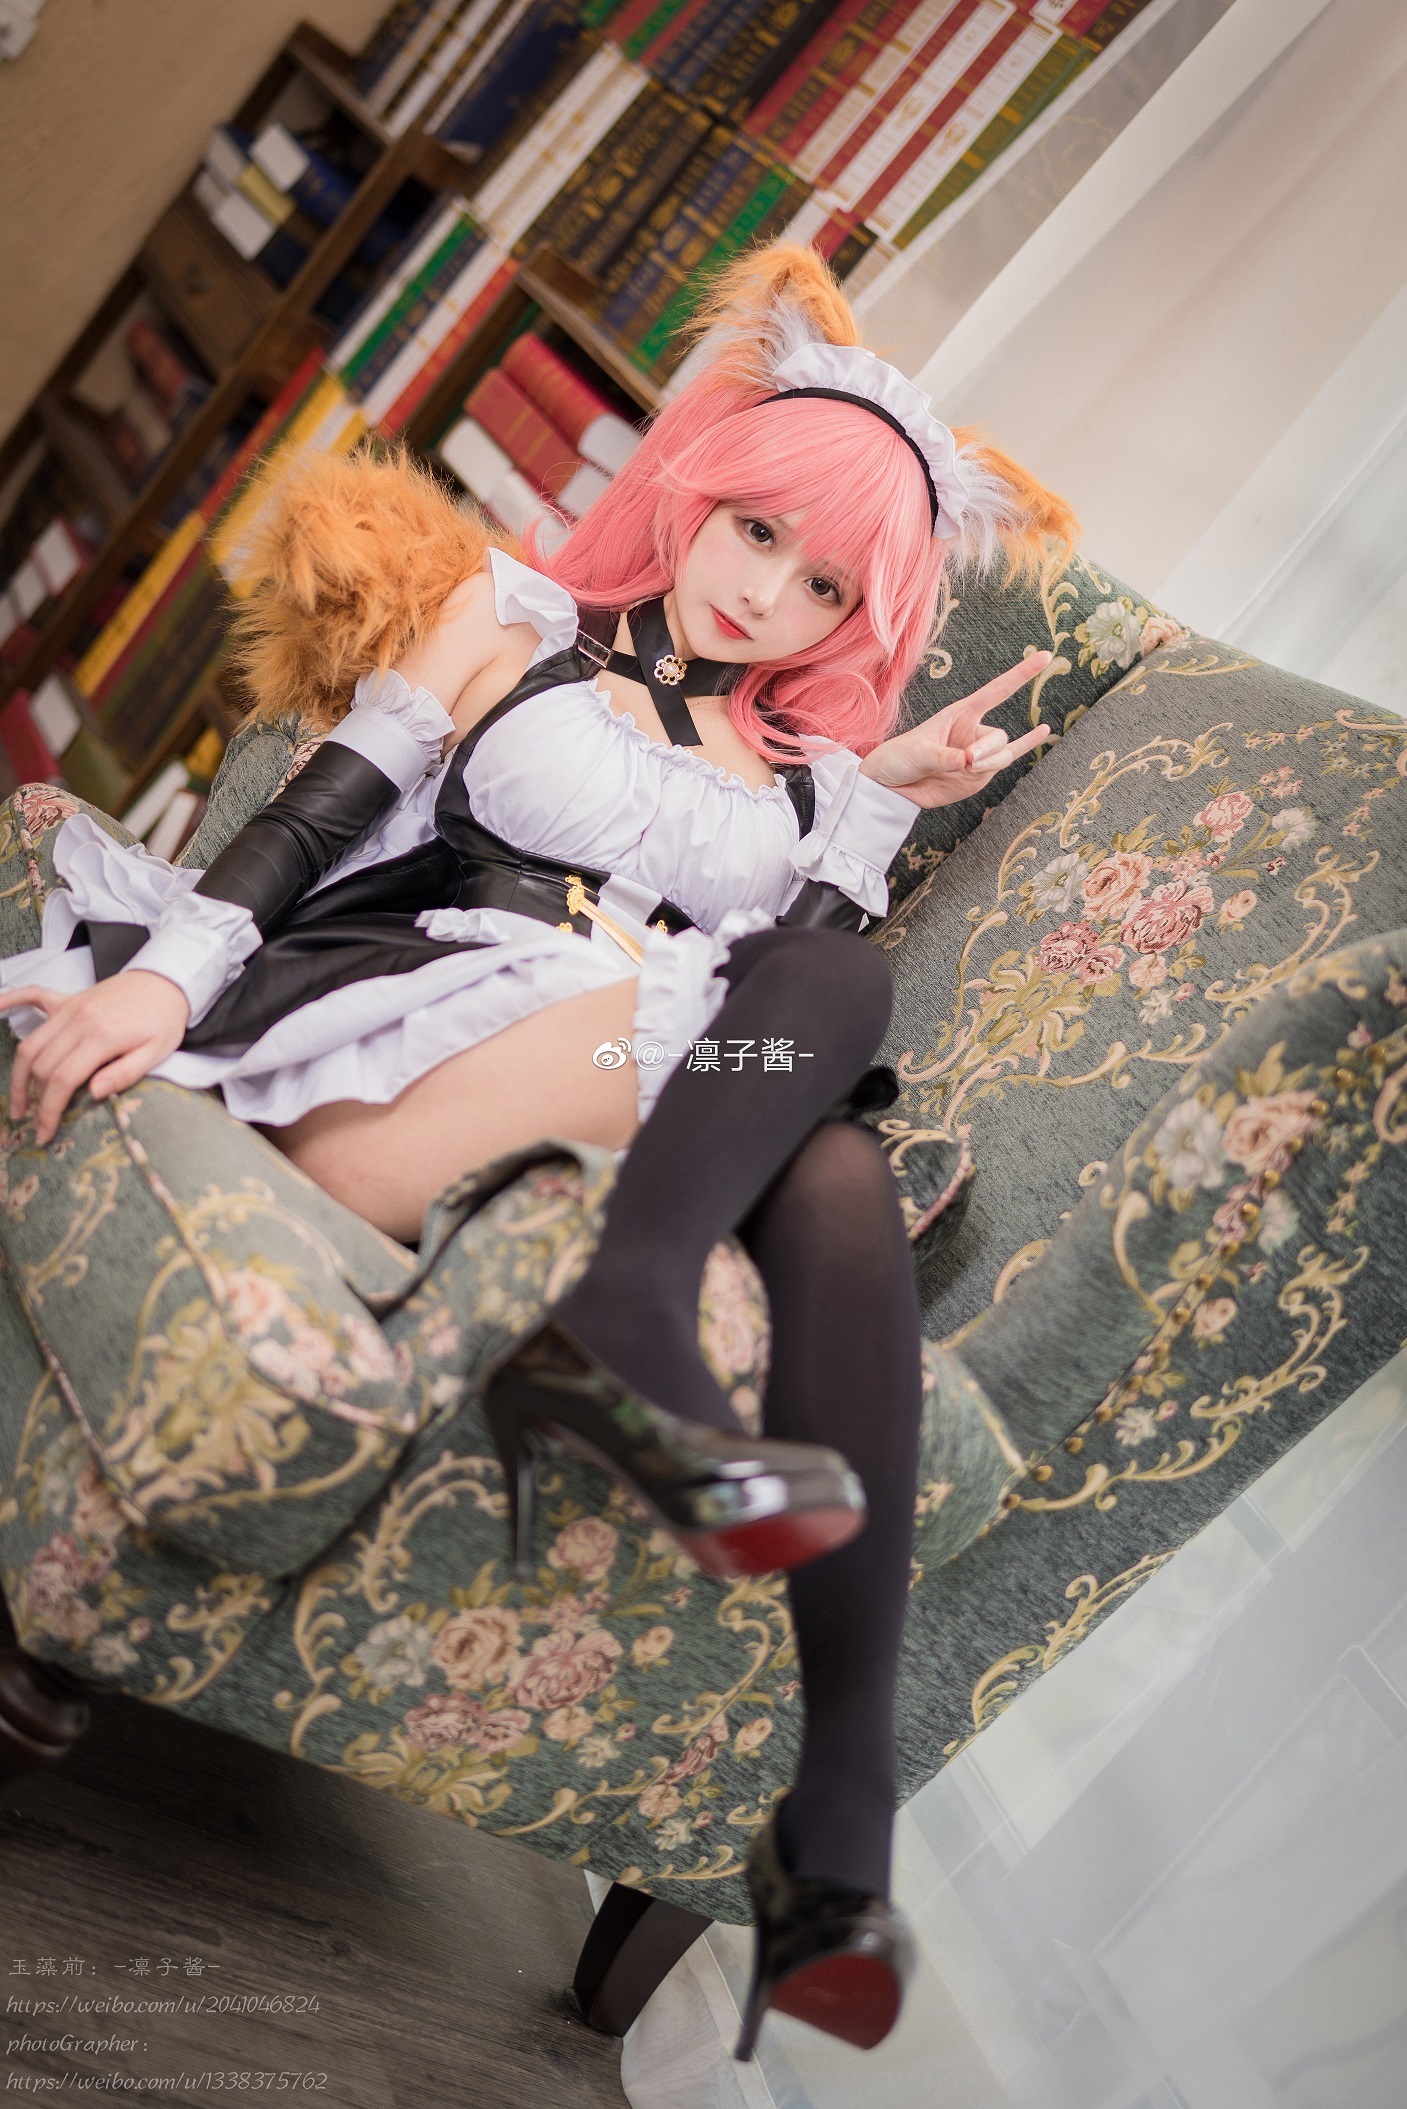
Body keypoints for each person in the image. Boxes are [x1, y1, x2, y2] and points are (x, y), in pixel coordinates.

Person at [0, 243, 1071, 2060]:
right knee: (791, 1044)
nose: (766, 593)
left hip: (638, 1093)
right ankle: (636, 1334)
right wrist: (169, 983)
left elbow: (783, 1016)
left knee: (826, 1081)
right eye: (756, 533)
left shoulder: (807, 788)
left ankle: (835, 1802)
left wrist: (883, 801)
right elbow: (315, 819)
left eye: (823, 585)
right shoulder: (511, 621)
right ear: (696, 488)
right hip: (414, 1043)